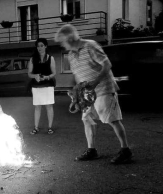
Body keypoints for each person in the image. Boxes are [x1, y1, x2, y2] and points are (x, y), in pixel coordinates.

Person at [54, 24, 132, 164]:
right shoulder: (71, 55)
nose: (61, 45)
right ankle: (92, 150)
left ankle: (125, 150)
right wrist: (76, 94)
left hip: (103, 89)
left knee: (112, 119)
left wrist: (95, 83)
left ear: (70, 39)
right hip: (87, 95)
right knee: (87, 119)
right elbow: (78, 76)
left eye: (62, 41)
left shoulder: (90, 46)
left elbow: (106, 65)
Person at [28, 38, 56, 135]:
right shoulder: (32, 59)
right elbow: (29, 74)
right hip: (36, 86)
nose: (39, 48)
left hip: (48, 85)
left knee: (49, 106)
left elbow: (54, 73)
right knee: (37, 107)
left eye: (41, 45)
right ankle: (36, 128)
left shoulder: (50, 58)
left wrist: (47, 77)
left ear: (45, 46)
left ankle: (50, 127)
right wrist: (35, 76)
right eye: (38, 46)